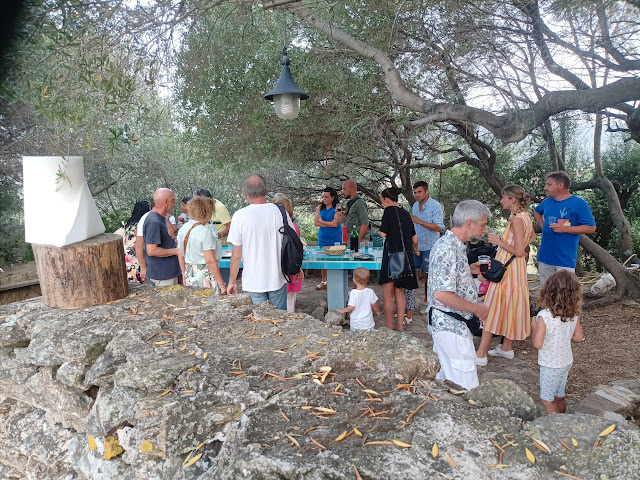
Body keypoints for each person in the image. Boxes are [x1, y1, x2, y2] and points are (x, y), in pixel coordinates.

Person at [427, 200, 491, 390]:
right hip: (451, 326)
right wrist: (477, 309)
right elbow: (441, 294)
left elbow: (446, 278)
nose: (484, 230)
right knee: (467, 387)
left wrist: (468, 270)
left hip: (449, 323)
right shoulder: (447, 248)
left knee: (445, 380)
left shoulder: (454, 245)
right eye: (483, 225)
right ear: (469, 223)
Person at [475, 185, 536, 365]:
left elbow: (519, 251)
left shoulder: (517, 220)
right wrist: (519, 243)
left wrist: (499, 241)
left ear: (513, 200)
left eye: (504, 197)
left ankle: (481, 354)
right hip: (516, 270)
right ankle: (506, 348)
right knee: (511, 305)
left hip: (508, 271)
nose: (501, 201)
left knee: (493, 307)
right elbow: (532, 237)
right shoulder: (525, 216)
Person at [227, 175, 298, 310]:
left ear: (245, 193)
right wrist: (297, 267)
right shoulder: (281, 211)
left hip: (253, 281)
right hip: (278, 277)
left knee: (258, 320)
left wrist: (232, 281)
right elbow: (293, 243)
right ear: (266, 191)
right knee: (279, 319)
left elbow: (236, 255)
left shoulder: (239, 216)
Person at [531, 270, 585, 414]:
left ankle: (557, 425)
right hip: (565, 361)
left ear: (549, 291)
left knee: (547, 400)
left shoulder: (544, 316)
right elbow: (579, 337)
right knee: (559, 396)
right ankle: (563, 419)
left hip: (551, 365)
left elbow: (537, 344)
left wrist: (534, 327)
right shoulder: (574, 313)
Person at [533, 171, 596, 286]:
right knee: (546, 292)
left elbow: (591, 228)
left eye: (549, 184)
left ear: (560, 185)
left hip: (565, 259)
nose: (545, 187)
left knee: (564, 293)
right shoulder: (547, 202)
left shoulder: (579, 204)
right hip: (545, 256)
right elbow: (537, 212)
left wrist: (565, 229)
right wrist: (543, 226)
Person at [378, 187, 418, 331]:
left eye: (382, 201)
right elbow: (415, 238)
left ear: (386, 199)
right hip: (405, 256)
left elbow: (383, 234)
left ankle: (388, 328)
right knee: (399, 292)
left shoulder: (388, 212)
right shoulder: (406, 213)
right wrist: (416, 250)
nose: (382, 204)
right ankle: (399, 326)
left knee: (388, 294)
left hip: (392, 255)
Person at [177, 195, 227, 294]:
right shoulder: (205, 232)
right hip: (205, 277)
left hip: (189, 274)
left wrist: (183, 274)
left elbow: (180, 254)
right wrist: (222, 284)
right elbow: (210, 261)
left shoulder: (183, 228)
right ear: (207, 212)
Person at [410, 181, 445, 309]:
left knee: (429, 275)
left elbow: (439, 228)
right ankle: (410, 303)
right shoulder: (415, 206)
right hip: (416, 246)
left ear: (427, 191)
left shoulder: (435, 206)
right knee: (413, 273)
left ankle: (427, 301)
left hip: (430, 246)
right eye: (415, 192)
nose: (417, 195)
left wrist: (420, 221)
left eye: (419, 192)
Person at [143, 188, 184, 287]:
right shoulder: (154, 222)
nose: (175, 202)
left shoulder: (162, 218)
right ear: (166, 202)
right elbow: (152, 250)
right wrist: (176, 251)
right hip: (162, 275)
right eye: (173, 200)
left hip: (168, 271)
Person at [273, 193, 304, 312]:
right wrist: (299, 268)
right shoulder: (294, 226)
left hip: (278, 268)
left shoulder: (274, 227)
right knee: (290, 299)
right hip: (290, 268)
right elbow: (296, 250)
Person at [114, 200, 150, 283]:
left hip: (127, 254)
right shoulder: (142, 224)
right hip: (138, 254)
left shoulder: (129, 223)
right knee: (141, 279)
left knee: (131, 278)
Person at [314, 187, 342, 290]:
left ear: (332, 197)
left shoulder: (338, 207)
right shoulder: (320, 207)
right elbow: (316, 222)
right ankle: (324, 281)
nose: (324, 199)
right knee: (323, 259)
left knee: (335, 258)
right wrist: (328, 223)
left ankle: (335, 281)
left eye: (327, 197)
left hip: (335, 237)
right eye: (323, 196)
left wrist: (322, 222)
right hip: (323, 237)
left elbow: (335, 224)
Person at [336, 267, 380, 331]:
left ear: (354, 280)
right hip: (368, 323)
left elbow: (351, 307)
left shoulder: (353, 293)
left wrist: (343, 310)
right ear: (367, 279)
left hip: (356, 324)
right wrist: (377, 311)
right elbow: (374, 304)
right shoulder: (370, 291)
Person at [341, 179, 369, 244]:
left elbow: (365, 223)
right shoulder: (350, 203)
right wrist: (340, 213)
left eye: (344, 189)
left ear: (353, 189)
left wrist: (358, 240)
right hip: (351, 238)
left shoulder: (359, 203)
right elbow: (350, 219)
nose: (342, 192)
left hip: (360, 240)